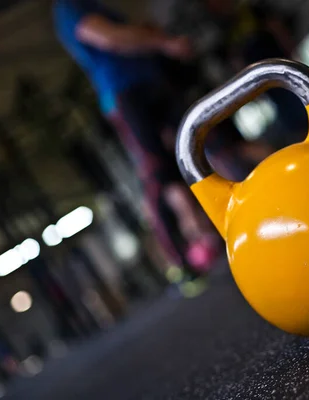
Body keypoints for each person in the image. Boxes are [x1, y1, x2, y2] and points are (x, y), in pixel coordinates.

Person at [52, 0, 218, 275]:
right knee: (157, 174)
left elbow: (128, 34)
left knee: (196, 149)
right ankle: (180, 262)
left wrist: (153, 38)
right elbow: (110, 39)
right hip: (125, 94)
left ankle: (206, 231)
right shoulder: (67, 8)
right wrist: (163, 42)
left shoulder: (95, 5)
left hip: (151, 83)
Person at [205, 0, 308, 148]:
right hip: (266, 83)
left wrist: (291, 51)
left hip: (280, 66)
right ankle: (306, 144)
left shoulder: (250, 10)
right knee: (291, 119)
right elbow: (236, 59)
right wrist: (250, 89)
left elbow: (276, 27)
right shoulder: (225, 29)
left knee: (304, 103)